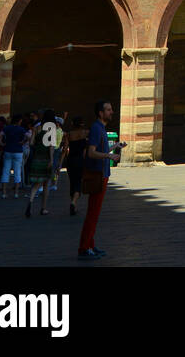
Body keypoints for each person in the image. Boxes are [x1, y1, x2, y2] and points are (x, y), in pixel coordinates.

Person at [78, 100, 124, 260]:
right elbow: (91, 152)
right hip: (98, 175)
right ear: (100, 113)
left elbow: (101, 150)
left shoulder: (101, 128)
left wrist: (115, 147)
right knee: (93, 213)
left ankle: (90, 245)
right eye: (108, 110)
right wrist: (109, 156)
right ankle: (84, 248)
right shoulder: (97, 129)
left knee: (94, 213)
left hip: (103, 174)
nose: (112, 112)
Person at [25, 109, 57, 218]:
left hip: (36, 158)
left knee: (36, 184)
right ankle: (43, 208)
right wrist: (52, 160)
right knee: (46, 184)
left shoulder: (36, 128)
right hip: (46, 159)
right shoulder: (51, 129)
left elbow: (31, 143)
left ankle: (30, 201)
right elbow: (52, 146)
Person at [63, 115, 88, 216]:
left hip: (70, 160)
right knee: (78, 182)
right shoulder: (85, 133)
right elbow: (85, 150)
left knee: (72, 182)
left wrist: (61, 162)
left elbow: (65, 149)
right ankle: (73, 202)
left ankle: (74, 203)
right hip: (80, 160)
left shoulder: (69, 134)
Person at [0, 113, 28, 199]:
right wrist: (23, 142)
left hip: (7, 150)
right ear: (19, 121)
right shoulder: (21, 129)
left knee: (5, 171)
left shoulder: (6, 128)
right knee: (17, 172)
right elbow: (28, 136)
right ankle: (16, 193)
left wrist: (2, 143)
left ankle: (4, 193)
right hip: (18, 151)